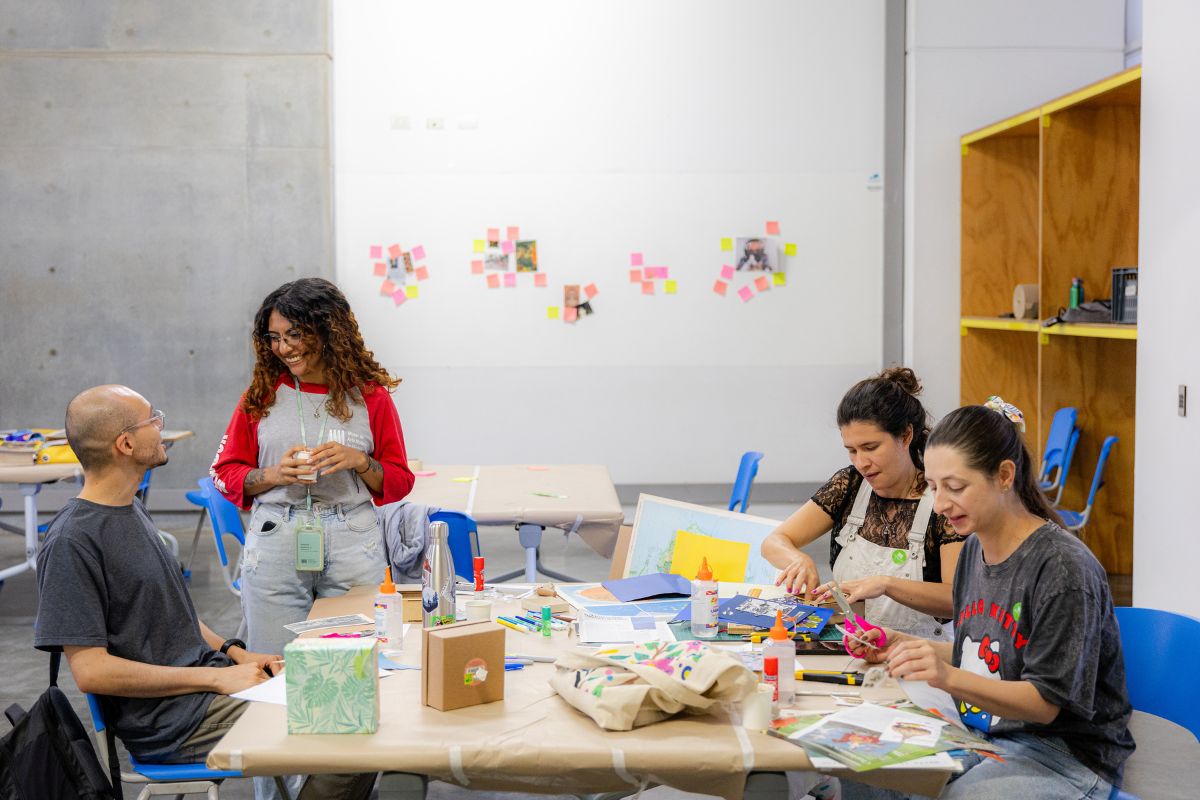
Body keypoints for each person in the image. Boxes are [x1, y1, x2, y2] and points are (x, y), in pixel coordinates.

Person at [34, 385, 375, 799]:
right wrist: (216, 678)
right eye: (152, 420)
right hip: (175, 722)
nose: (161, 426)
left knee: (362, 701)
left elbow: (174, 615)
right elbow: (91, 672)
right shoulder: (74, 539)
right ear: (125, 444)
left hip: (205, 691)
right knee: (352, 736)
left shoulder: (129, 510)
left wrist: (237, 653)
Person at [842, 398, 1134, 799]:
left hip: (1062, 756)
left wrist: (945, 677)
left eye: (955, 487)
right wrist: (905, 647)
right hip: (986, 735)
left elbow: (1043, 703)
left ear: (1004, 475)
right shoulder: (975, 551)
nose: (941, 504)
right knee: (864, 767)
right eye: (932, 487)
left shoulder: (1063, 569)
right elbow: (980, 653)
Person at [210, 277, 415, 658]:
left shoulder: (370, 397)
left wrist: (361, 462)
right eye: (274, 337)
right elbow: (223, 473)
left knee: (352, 666)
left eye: (294, 335)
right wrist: (273, 474)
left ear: (327, 330)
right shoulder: (262, 394)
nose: (283, 348)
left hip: (354, 541)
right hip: (276, 538)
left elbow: (400, 481)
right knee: (273, 665)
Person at [760, 368, 965, 639]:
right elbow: (773, 542)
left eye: (870, 448)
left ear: (905, 436)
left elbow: (957, 599)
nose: (861, 462)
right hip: (854, 646)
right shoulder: (851, 484)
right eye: (852, 450)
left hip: (922, 661)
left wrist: (885, 585)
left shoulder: (941, 500)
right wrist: (798, 559)